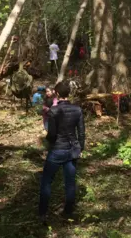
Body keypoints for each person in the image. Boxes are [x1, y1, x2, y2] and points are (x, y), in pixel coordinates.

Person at [39, 80, 85, 223]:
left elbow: (52, 135)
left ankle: (42, 213)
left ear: (57, 94)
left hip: (57, 150)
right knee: (70, 182)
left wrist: (48, 144)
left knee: (46, 181)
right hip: (72, 150)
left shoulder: (54, 110)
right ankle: (68, 211)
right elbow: (82, 133)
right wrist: (80, 148)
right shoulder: (77, 109)